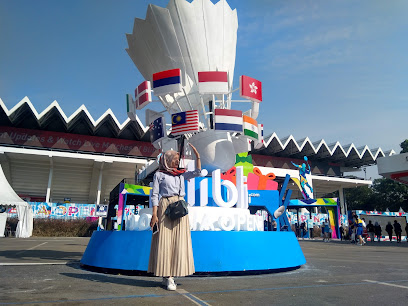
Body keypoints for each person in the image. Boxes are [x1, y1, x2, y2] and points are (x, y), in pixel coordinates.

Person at [148, 144, 202, 291]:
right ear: (167, 160)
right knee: (165, 240)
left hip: (179, 205)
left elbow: (198, 172)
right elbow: (154, 195)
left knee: (179, 240)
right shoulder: (159, 174)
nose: (177, 162)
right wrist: (154, 214)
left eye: (178, 159)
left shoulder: (181, 174)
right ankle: (167, 276)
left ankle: (174, 273)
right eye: (174, 159)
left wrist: (197, 156)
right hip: (165, 205)